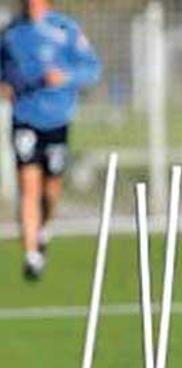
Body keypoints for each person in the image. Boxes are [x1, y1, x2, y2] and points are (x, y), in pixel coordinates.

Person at [0, 0, 100, 281]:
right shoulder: (10, 34)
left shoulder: (65, 29)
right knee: (28, 186)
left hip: (56, 120)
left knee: (50, 190)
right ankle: (32, 256)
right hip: (24, 119)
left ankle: (44, 228)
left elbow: (92, 69)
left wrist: (65, 77)